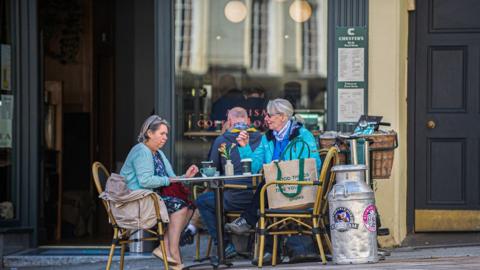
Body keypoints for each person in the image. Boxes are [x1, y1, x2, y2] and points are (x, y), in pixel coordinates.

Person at [224, 98, 322, 262]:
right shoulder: (267, 138)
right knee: (268, 184)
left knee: (267, 184)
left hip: (300, 190)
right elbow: (255, 167)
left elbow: (315, 165)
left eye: (270, 115)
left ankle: (249, 224)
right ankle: (267, 249)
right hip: (276, 191)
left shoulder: (303, 136)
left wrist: (285, 168)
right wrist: (245, 147)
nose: (266, 119)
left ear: (283, 117)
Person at [120, 115, 199, 269]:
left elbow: (170, 178)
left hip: (151, 199)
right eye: (162, 134)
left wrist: (185, 177)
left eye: (166, 134)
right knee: (180, 207)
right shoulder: (142, 150)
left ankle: (167, 249)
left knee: (189, 207)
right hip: (136, 202)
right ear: (149, 133)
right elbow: (146, 181)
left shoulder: (158, 153)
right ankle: (173, 251)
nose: (165, 138)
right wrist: (169, 180)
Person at [195, 107, 262, 258]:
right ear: (249, 121)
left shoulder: (222, 140)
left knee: (203, 201)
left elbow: (212, 170)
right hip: (259, 200)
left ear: (229, 121)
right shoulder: (262, 139)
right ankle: (251, 244)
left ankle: (224, 245)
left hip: (232, 199)